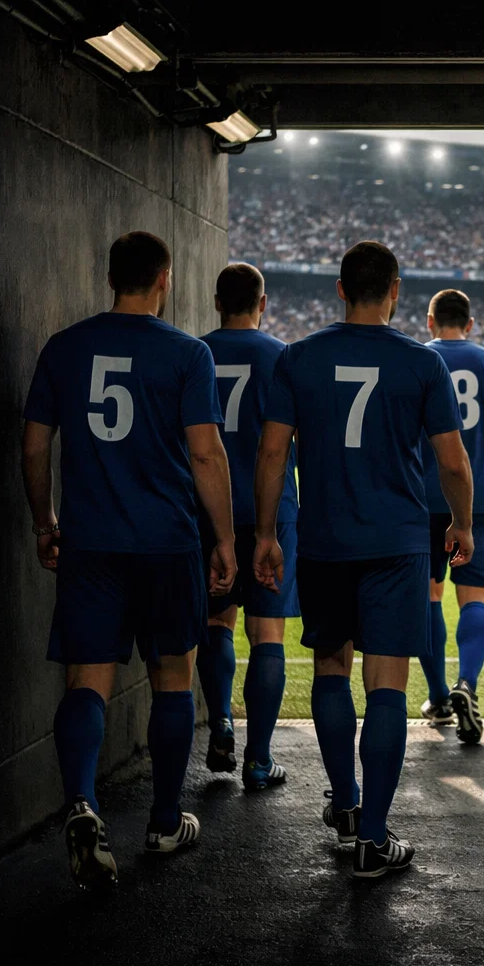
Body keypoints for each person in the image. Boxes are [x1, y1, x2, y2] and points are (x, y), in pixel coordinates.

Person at [20, 231, 236, 890]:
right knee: (173, 675)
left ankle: (83, 803)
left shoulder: (65, 347)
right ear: (164, 279)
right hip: (167, 540)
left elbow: (33, 445)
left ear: (109, 276)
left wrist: (44, 519)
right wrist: (224, 537)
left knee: (88, 679)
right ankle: (165, 822)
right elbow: (204, 453)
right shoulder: (185, 353)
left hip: (92, 540)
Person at [252, 240, 474, 878]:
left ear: (340, 289)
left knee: (329, 668)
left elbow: (272, 455)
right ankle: (373, 840)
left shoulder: (297, 359)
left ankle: (345, 804)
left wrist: (266, 533)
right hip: (397, 542)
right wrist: (461, 524)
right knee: (386, 684)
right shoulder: (420, 363)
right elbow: (454, 461)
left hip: (324, 540)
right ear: (396, 291)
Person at [196, 263, 301, 789]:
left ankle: (219, 723)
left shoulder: (193, 351)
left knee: (216, 623)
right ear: (263, 304)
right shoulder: (284, 356)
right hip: (270, 513)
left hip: (207, 512)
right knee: (267, 634)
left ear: (217, 301)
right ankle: (259, 760)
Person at [414, 288, 484, 745]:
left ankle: (439, 695)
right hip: (477, 499)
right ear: (471, 323)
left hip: (423, 497)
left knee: (429, 596)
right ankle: (468, 684)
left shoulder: (416, 360)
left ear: (430, 321)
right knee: (474, 597)